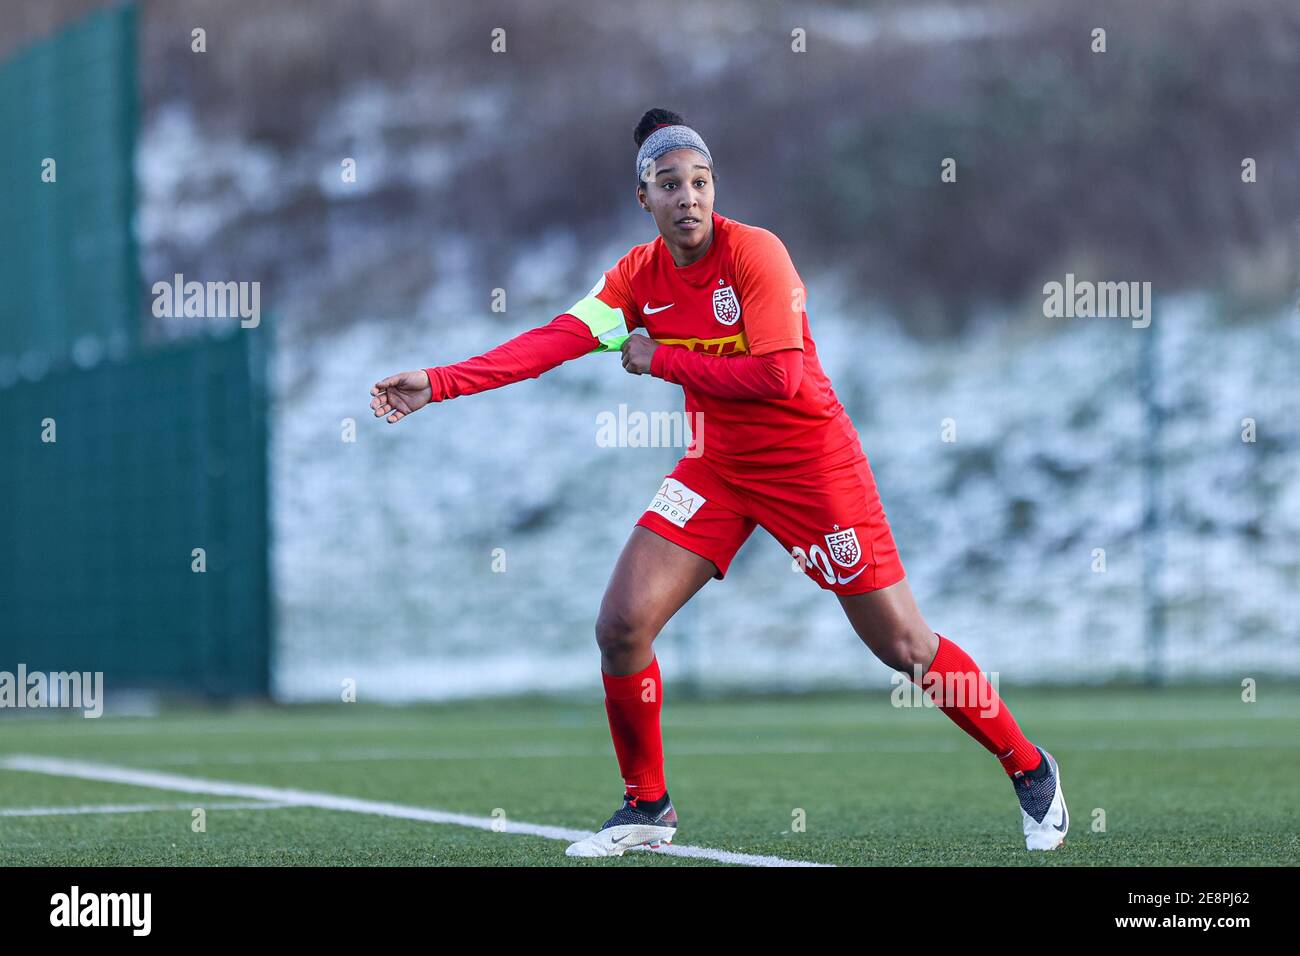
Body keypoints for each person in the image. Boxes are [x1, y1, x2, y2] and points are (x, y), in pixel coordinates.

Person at [369, 108, 1068, 858]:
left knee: (904, 646)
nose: (689, 197)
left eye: (700, 181)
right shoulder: (637, 279)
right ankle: (647, 807)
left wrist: (660, 358)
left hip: (811, 467)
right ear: (646, 199)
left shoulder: (756, 254)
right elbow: (550, 343)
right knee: (621, 625)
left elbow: (778, 375)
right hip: (718, 469)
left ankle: (1030, 767)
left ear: (714, 187)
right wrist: (436, 383)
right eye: (670, 184)